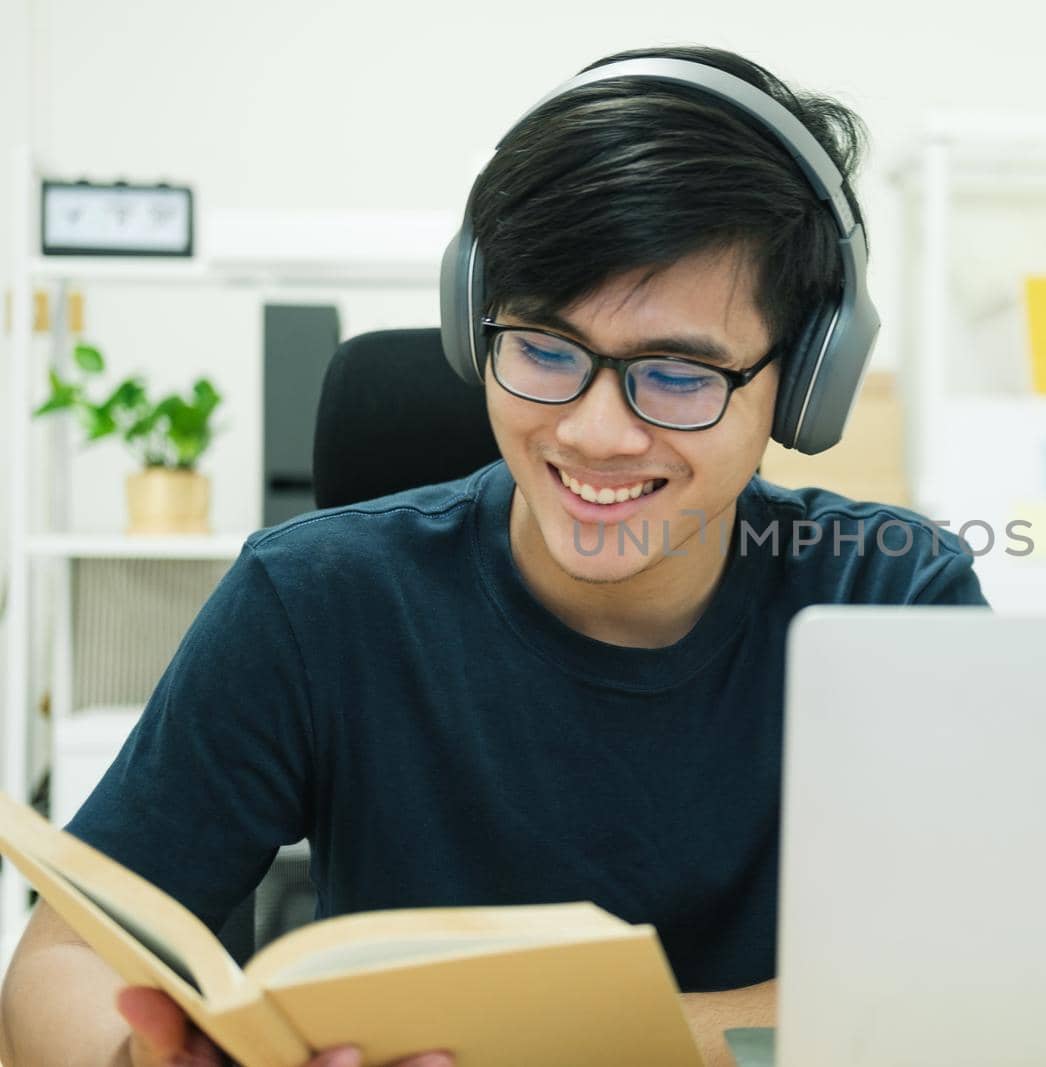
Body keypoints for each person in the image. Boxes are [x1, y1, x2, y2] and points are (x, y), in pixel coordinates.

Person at [0, 44, 985, 1067]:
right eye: (545, 351)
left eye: (679, 374)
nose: (597, 433)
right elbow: (60, 963)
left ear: (805, 380)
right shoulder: (314, 600)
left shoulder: (890, 600)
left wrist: (521, 1043)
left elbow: (976, 979)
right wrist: (131, 1056)